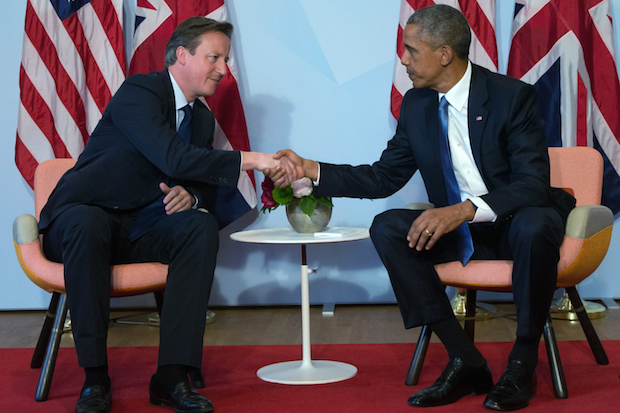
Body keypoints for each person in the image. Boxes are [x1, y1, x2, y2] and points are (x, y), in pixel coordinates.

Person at [274, 5, 575, 411]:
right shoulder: (417, 105)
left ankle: (522, 362)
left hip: (514, 223)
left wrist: (463, 210)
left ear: (445, 54)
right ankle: (464, 358)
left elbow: (532, 186)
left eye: (411, 50)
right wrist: (314, 169)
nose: (403, 59)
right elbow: (383, 178)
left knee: (536, 224)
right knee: (388, 227)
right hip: (465, 234)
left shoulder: (511, 97)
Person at [40, 17, 295, 413]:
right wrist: (257, 160)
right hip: (80, 217)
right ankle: (95, 379)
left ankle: (172, 377)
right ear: (182, 55)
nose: (223, 69)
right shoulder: (140, 91)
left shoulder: (202, 119)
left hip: (138, 226)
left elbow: (201, 181)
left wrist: (190, 196)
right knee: (87, 224)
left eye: (225, 59)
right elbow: (171, 156)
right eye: (214, 57)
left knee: (199, 225)